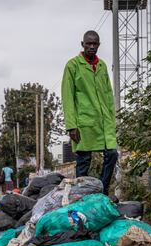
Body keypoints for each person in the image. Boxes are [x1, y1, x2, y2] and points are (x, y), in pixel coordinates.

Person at [61, 30, 118, 195]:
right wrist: (71, 125)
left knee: (112, 154)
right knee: (84, 161)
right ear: (82, 44)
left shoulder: (102, 66)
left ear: (99, 45)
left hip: (104, 123)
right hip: (83, 124)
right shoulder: (73, 65)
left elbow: (108, 94)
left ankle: (102, 191)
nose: (92, 46)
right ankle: (81, 195)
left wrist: (111, 120)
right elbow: (67, 97)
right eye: (89, 43)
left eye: (95, 44)